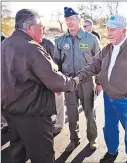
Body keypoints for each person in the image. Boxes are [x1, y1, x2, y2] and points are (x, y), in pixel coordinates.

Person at [1, 9, 78, 163]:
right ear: (29, 27)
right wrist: (74, 82)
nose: (43, 30)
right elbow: (55, 81)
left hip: (11, 112)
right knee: (43, 156)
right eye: (41, 26)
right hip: (33, 114)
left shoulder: (4, 44)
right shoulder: (32, 48)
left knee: (18, 151)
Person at [74, 14, 127, 163]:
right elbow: (94, 65)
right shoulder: (107, 49)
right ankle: (112, 152)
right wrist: (78, 77)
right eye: (108, 29)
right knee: (109, 128)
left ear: (124, 31)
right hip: (108, 97)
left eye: (113, 29)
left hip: (125, 100)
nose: (108, 33)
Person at [53, 7, 101, 152]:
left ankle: (92, 138)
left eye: (72, 19)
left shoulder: (91, 39)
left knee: (90, 112)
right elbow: (56, 64)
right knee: (72, 114)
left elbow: (100, 62)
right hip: (68, 84)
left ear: (79, 20)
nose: (69, 22)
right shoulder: (60, 41)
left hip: (86, 82)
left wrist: (99, 82)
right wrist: (57, 84)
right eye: (67, 19)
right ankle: (74, 139)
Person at [40, 33, 65, 135]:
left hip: (54, 78)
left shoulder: (48, 43)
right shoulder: (29, 44)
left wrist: (58, 82)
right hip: (41, 79)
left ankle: (59, 124)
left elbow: (57, 62)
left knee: (58, 101)